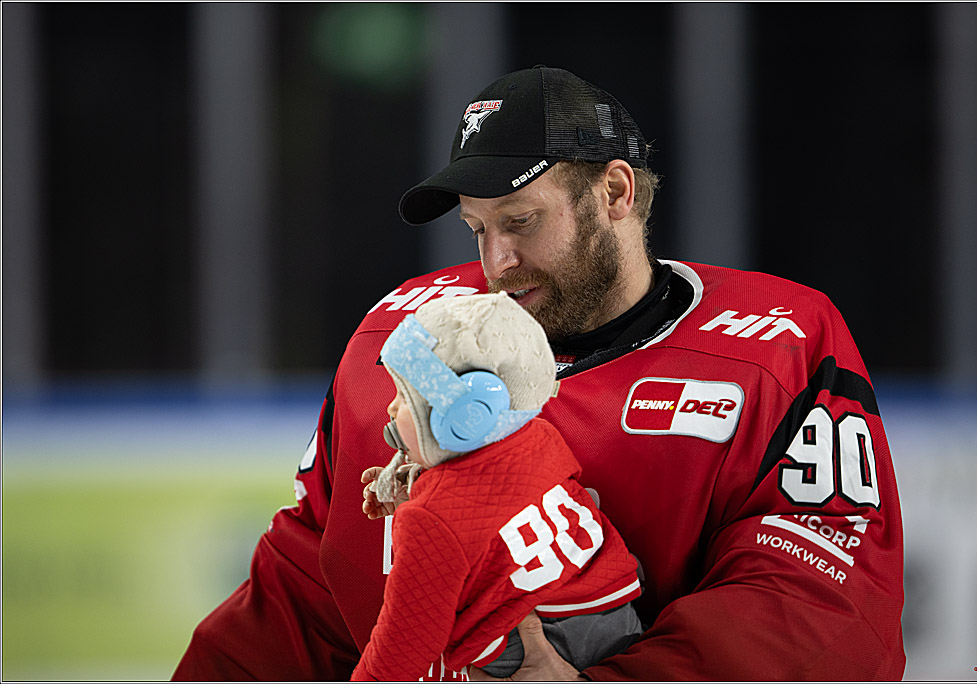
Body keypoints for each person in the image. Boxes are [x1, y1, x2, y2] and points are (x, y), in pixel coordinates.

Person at [174, 65, 906, 681]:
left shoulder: (780, 342)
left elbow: (817, 606)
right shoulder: (401, 337)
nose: (496, 264)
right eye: (476, 230)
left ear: (616, 194)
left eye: (521, 221)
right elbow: (307, 586)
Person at [351, 292, 643, 681]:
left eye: (404, 397)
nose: (390, 409)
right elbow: (496, 504)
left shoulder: (430, 518)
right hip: (618, 612)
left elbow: (404, 643)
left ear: (467, 415)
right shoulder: (542, 437)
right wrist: (423, 484)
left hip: (535, 651)